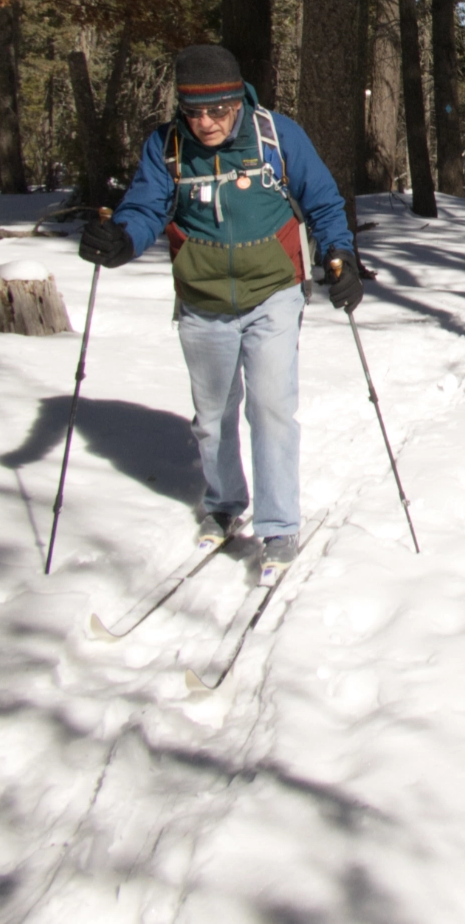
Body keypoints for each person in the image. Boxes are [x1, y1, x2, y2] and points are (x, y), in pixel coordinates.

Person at [78, 44, 363, 573]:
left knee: (272, 408)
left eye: (218, 110)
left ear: (238, 101)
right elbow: (144, 208)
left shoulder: (276, 136)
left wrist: (340, 253)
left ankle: (278, 525)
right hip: (202, 299)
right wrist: (120, 239)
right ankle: (225, 504)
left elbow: (322, 200)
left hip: (273, 293)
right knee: (212, 417)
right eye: (193, 111)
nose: (205, 123)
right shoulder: (166, 147)